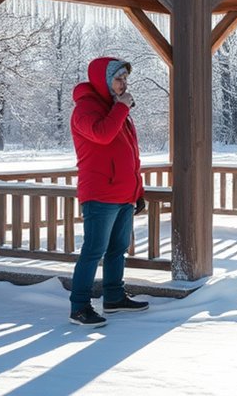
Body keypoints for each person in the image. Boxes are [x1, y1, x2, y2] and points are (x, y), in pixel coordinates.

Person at [68, 56, 149, 327]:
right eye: (118, 78)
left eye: (125, 78)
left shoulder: (117, 109)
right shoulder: (86, 109)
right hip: (100, 194)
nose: (124, 84)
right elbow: (102, 135)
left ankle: (113, 296)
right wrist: (122, 108)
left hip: (123, 194)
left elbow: (131, 155)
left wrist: (138, 191)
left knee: (117, 249)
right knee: (94, 250)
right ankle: (79, 306)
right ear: (103, 80)